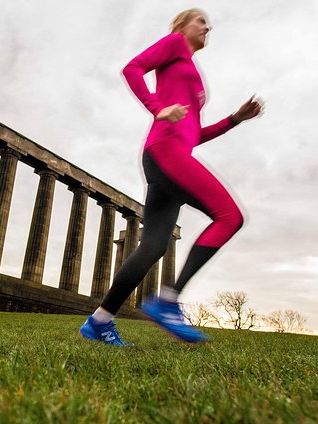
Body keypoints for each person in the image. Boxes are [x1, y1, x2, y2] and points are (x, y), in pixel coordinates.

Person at [80, 10, 262, 344]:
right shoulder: (175, 43)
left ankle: (99, 321)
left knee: (153, 246)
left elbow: (192, 135)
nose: (207, 27)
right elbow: (132, 68)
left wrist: (234, 120)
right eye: (200, 22)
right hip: (166, 153)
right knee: (229, 216)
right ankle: (168, 300)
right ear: (181, 26)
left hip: (171, 155)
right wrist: (155, 107)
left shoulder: (189, 67)